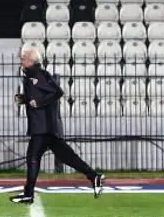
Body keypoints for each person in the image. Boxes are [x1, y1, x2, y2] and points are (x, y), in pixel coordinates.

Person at [9, 44, 104, 204]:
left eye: (23, 58)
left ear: (31, 61)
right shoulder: (33, 76)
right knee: (68, 157)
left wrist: (38, 102)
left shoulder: (38, 75)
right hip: (46, 127)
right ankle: (94, 177)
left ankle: (28, 194)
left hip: (43, 127)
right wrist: (25, 99)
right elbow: (41, 94)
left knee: (33, 157)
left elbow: (57, 92)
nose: (21, 61)